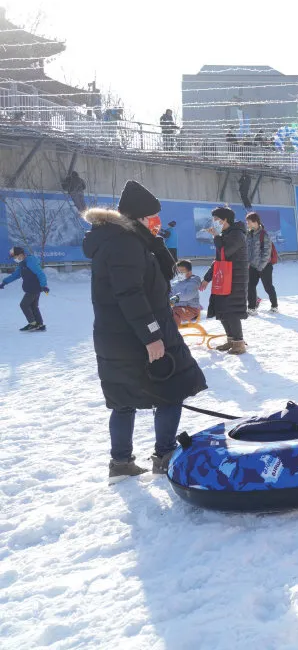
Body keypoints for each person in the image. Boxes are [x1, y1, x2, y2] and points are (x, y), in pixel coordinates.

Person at [82, 180, 207, 482]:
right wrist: (152, 336)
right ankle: (164, 455)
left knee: (123, 398)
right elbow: (130, 294)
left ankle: (121, 463)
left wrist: (154, 241)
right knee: (170, 389)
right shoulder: (124, 244)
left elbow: (168, 272)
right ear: (139, 216)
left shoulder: (127, 240)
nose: (158, 221)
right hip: (137, 336)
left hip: (119, 337)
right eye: (153, 216)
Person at [199, 207, 249, 354]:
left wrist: (216, 237)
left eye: (216, 219)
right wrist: (207, 278)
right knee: (221, 309)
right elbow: (218, 260)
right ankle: (231, 340)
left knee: (231, 310)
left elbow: (224, 254)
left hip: (235, 278)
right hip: (224, 276)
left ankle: (239, 343)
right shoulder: (225, 234)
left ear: (225, 219)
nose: (214, 222)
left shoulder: (237, 234)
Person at [1, 247, 49, 331]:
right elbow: (15, 275)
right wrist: (4, 282)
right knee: (33, 306)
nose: (14, 259)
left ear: (21, 255)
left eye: (15, 257)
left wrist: (44, 285)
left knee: (24, 304)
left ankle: (33, 324)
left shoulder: (30, 261)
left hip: (34, 288)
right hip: (32, 287)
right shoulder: (22, 263)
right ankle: (40, 324)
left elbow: (40, 273)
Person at [244, 212, 279, 314]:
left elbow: (267, 253)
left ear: (255, 222)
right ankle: (251, 308)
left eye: (249, 222)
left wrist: (260, 267)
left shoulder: (264, 235)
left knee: (268, 287)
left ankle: (274, 305)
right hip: (252, 266)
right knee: (250, 286)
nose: (248, 224)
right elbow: (247, 250)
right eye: (247, 222)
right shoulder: (248, 234)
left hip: (265, 266)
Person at [170, 260, 202, 326]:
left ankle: (173, 332)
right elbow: (170, 294)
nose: (179, 274)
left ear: (189, 273)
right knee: (164, 311)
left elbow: (188, 295)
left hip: (192, 310)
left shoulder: (193, 282)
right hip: (178, 308)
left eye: (182, 272)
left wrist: (175, 298)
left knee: (174, 312)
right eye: (178, 272)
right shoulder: (175, 283)